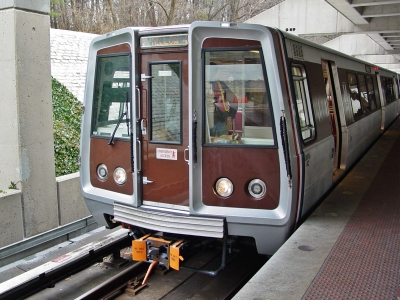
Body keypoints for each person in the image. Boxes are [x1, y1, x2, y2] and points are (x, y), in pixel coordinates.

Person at [208, 62, 237, 137]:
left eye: (213, 71)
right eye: (210, 70)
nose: (211, 73)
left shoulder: (220, 84)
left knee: (223, 142)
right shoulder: (199, 83)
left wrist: (230, 115)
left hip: (220, 119)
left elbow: (233, 99)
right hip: (205, 119)